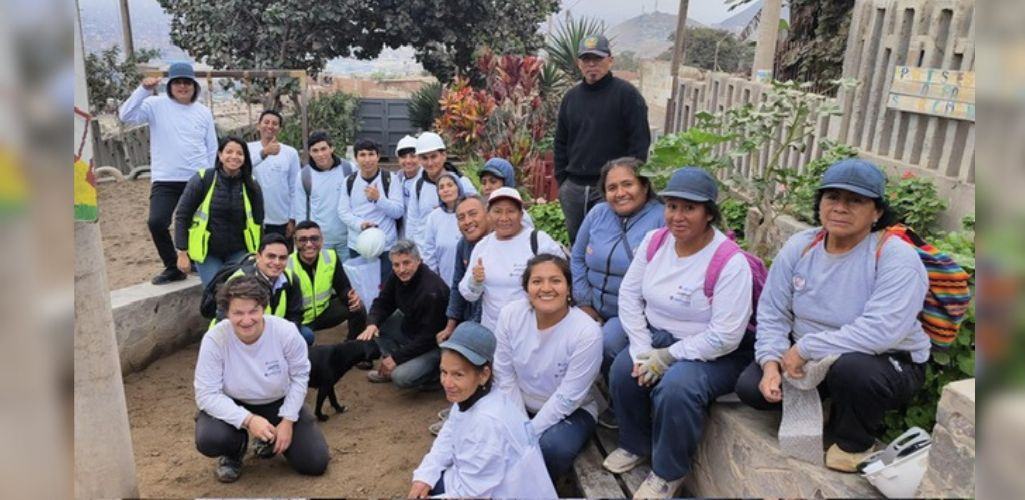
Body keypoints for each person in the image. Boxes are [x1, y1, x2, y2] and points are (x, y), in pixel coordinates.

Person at [734, 159, 929, 472]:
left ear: (877, 212)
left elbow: (881, 331)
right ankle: (827, 402)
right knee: (750, 388)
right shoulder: (801, 245)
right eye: (832, 197)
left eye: (855, 200)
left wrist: (804, 349)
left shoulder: (894, 256)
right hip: (808, 358)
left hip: (885, 359)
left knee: (852, 371)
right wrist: (771, 362)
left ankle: (855, 442)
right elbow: (772, 312)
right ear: (820, 203)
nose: (840, 207)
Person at [604, 167, 754, 498]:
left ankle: (668, 472)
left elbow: (725, 336)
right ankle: (635, 444)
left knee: (676, 387)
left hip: (717, 352)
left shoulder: (729, 262)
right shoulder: (655, 241)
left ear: (709, 214)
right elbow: (629, 294)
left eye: (690, 208)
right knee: (624, 369)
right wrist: (643, 349)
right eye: (672, 206)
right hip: (660, 336)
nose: (678, 216)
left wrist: (669, 356)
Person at [194, 276, 329, 483]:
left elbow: (300, 376)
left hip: (278, 403)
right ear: (227, 313)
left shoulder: (286, 332)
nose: (246, 320)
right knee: (211, 438)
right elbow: (206, 394)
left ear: (263, 308)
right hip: (235, 403)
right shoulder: (215, 339)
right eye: (238, 313)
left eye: (253, 311)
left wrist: (288, 419)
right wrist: (248, 420)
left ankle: (270, 437)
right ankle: (234, 451)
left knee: (315, 462)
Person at [410, 322, 557, 498]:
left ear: (484, 374)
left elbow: (473, 493)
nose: (447, 383)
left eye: (458, 375)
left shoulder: (487, 422)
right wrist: (425, 475)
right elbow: (449, 434)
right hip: (479, 482)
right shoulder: (473, 395)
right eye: (444, 372)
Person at [570, 157, 664, 428]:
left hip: (634, 312)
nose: (620, 193)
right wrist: (585, 301)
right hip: (594, 303)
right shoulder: (598, 214)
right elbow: (577, 256)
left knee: (607, 343)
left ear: (644, 186)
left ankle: (620, 401)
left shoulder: (660, 218)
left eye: (628, 184)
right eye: (612, 187)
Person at [492, 254, 602, 479]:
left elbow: (569, 396)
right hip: (519, 403)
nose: (546, 288)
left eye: (555, 280)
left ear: (568, 288)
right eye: (537, 281)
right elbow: (504, 373)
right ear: (526, 289)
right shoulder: (511, 315)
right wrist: (518, 421)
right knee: (489, 439)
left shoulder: (587, 332)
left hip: (572, 410)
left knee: (551, 449)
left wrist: (528, 432)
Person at [119, 62, 217, 284]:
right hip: (165, 178)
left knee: (197, 224)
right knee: (157, 222)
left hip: (197, 177)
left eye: (187, 82)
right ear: (170, 85)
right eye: (178, 82)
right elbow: (125, 115)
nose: (183, 86)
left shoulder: (203, 112)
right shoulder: (155, 104)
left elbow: (212, 146)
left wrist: (211, 175)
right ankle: (172, 266)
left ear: (194, 86)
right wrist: (143, 89)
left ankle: (193, 260)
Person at [554, 34, 651, 244]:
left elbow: (640, 143)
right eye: (586, 60)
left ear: (610, 60)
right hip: (574, 189)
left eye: (597, 59)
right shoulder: (571, 98)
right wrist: (563, 182)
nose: (591, 65)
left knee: (609, 244)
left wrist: (626, 184)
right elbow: (560, 142)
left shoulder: (626, 95)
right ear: (579, 63)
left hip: (610, 190)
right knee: (577, 244)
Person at [459, 187, 565, 331]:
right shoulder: (482, 247)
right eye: (497, 211)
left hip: (532, 329)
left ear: (521, 214)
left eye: (510, 211)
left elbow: (562, 280)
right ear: (488, 214)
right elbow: (468, 294)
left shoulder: (539, 241)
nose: (504, 218)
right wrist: (476, 281)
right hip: (493, 331)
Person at [355, 240, 450, 389]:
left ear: (418, 261)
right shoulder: (396, 276)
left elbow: (428, 338)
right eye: (396, 265)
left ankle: (435, 376)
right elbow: (382, 302)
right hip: (411, 330)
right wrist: (372, 323)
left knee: (401, 377)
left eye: (407, 263)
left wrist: (397, 358)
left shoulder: (432, 291)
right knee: (377, 325)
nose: (401, 269)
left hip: (435, 345)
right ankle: (391, 365)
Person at [174, 136, 263, 287]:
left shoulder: (251, 184)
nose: (234, 156)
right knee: (216, 292)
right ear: (220, 155)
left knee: (239, 293)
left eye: (239, 153)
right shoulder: (203, 179)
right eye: (229, 152)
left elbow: (258, 220)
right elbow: (182, 216)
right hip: (208, 252)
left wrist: (260, 252)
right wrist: (182, 252)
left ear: (245, 158)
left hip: (240, 251)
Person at [216, 233, 308, 343]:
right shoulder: (239, 281)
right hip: (241, 334)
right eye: (271, 256)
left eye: (282, 258)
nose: (277, 262)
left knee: (306, 336)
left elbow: (295, 315)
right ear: (258, 257)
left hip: (273, 331)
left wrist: (287, 338)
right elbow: (226, 319)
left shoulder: (291, 278)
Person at [287, 220, 367, 339]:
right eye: (303, 240)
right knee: (307, 337)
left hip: (324, 312)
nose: (309, 244)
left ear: (322, 239)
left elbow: (343, 287)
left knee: (358, 307)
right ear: (295, 242)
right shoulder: (287, 265)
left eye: (314, 239)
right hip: (299, 319)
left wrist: (350, 297)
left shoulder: (331, 257)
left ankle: (352, 346)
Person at [337, 138, 404, 282]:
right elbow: (343, 212)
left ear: (378, 156)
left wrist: (379, 199)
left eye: (371, 154)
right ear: (356, 158)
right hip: (358, 245)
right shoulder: (349, 181)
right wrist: (361, 224)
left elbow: (398, 211)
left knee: (385, 287)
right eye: (362, 155)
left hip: (386, 246)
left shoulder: (390, 179)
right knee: (362, 287)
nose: (367, 159)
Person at [409, 132, 477, 251]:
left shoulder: (463, 183)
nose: (430, 163)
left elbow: (477, 216)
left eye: (433, 156)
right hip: (425, 255)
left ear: (444, 155)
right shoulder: (418, 186)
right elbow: (413, 222)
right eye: (424, 158)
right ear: (419, 159)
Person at [292, 131, 355, 258]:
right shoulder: (304, 176)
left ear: (332, 148)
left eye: (323, 149)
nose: (320, 154)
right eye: (315, 150)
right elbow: (300, 212)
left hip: (347, 240)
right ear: (309, 153)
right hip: (319, 242)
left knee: (348, 276)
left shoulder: (349, 169)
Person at [248, 110, 300, 248]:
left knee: (281, 261)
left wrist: (292, 218)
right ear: (258, 125)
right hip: (252, 220)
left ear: (280, 128)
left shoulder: (290, 153)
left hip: (280, 220)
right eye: (266, 122)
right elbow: (242, 168)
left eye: (275, 124)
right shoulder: (248, 149)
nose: (270, 126)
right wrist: (264, 153)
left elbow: (294, 188)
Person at [422, 172, 466, 287]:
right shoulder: (434, 217)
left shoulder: (468, 213)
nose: (446, 190)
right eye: (441, 187)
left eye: (450, 185)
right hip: (443, 281)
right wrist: (435, 278)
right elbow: (429, 251)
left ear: (458, 188)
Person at [477, 157, 533, 227]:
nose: (487, 187)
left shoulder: (521, 220)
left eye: (493, 182)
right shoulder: (481, 212)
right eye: (484, 183)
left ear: (506, 184)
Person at [393, 135, 422, 240]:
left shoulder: (429, 180)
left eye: (413, 156)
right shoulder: (395, 180)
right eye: (403, 157)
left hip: (423, 241)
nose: (408, 161)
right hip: (402, 239)